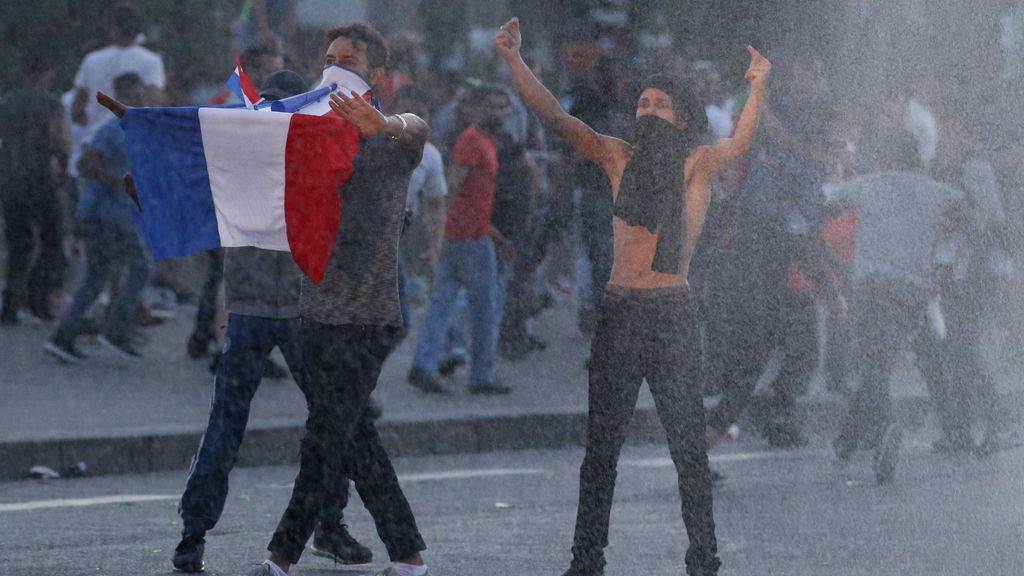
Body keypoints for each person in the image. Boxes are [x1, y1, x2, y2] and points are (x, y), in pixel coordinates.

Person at [496, 17, 769, 576]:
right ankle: (586, 559)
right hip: (620, 313)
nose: (647, 110)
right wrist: (512, 60)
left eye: (660, 104)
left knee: (688, 450)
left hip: (671, 314)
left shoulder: (697, 165)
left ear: (682, 115)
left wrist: (758, 85)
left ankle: (703, 558)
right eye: (642, 102)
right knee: (601, 451)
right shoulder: (618, 156)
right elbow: (554, 117)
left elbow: (740, 142)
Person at [247, 23, 431, 576]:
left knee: (324, 441)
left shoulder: (389, 140)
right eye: (329, 58)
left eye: (347, 60)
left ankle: (280, 556)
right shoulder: (307, 131)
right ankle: (409, 556)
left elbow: (416, 129)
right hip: (317, 311)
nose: (334, 66)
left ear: (374, 75)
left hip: (366, 316)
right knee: (354, 438)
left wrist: (386, 123)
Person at [171, 71, 371, 573]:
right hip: (298, 311)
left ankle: (194, 535)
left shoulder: (238, 159)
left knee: (227, 425)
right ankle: (329, 524)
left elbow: (194, 206)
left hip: (254, 310)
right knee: (332, 420)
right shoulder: (313, 153)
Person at [828, 131, 963, 484]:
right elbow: (967, 215)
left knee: (875, 362)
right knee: (881, 361)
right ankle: (848, 438)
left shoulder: (866, 185)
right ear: (917, 158)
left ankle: (884, 427)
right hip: (910, 290)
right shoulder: (936, 190)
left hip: (870, 286)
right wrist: (943, 261)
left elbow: (825, 205)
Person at [406, 84, 515, 396]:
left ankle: (424, 365)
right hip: (468, 239)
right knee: (485, 309)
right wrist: (438, 231)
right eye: (492, 107)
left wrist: (494, 234)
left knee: (441, 303)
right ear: (478, 109)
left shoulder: (484, 141)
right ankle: (480, 375)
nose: (498, 113)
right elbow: (450, 189)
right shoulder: (472, 141)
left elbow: (474, 197)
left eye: (502, 107)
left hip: (469, 235)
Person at [43, 72, 151, 362]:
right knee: (139, 267)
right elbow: (84, 163)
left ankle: (63, 337)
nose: (140, 101)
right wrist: (118, 181)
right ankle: (115, 330)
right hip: (105, 215)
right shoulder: (113, 130)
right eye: (134, 97)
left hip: (105, 215)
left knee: (96, 277)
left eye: (142, 96)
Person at [0, 51, 69, 324]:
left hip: (10, 180)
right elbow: (58, 138)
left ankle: (10, 304)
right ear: (45, 73)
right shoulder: (49, 102)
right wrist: (62, 166)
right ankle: (37, 298)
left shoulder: (6, 102)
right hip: (39, 179)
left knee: (19, 243)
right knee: (53, 239)